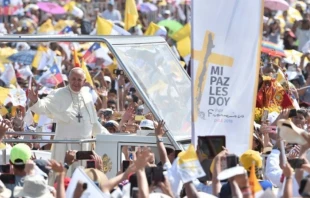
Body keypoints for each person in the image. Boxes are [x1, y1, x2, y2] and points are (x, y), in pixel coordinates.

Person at [28, 68, 109, 173]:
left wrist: (108, 135)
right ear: (69, 79)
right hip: (65, 147)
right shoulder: (59, 94)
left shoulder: (87, 96)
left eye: (79, 80)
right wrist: (35, 100)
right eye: (73, 79)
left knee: (83, 178)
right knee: (63, 175)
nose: (76, 82)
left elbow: (93, 122)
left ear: (84, 82)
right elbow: (43, 107)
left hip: (85, 148)